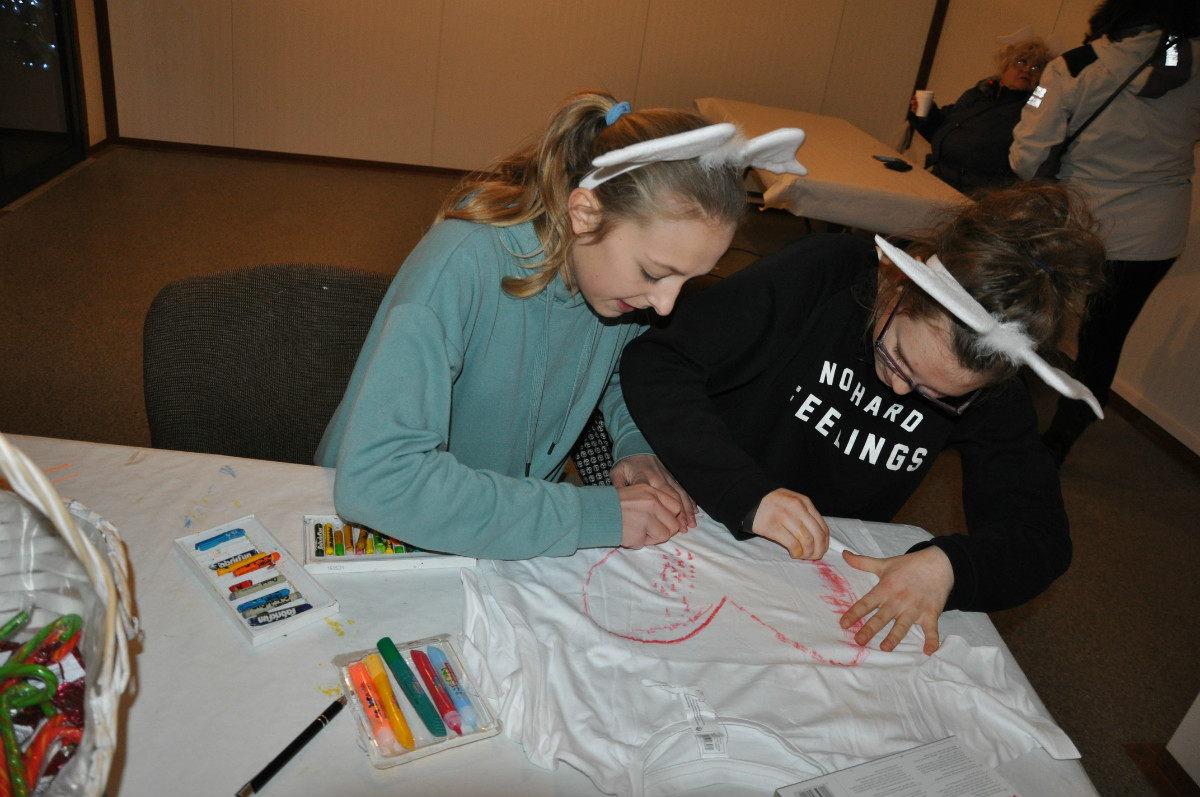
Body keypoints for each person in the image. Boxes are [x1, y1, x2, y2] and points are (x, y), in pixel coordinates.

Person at [315, 90, 805, 560]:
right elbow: (381, 481)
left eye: (687, 280)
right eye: (655, 273)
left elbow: (621, 369)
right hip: (370, 530)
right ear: (585, 214)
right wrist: (591, 515)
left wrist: (634, 444)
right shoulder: (461, 264)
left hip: (507, 524)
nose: (665, 305)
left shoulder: (615, 286)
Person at [620, 184, 1106, 655]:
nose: (900, 390)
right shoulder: (825, 274)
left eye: (938, 395)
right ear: (898, 286)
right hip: (694, 512)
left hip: (808, 575)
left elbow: (1040, 537)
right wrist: (746, 492)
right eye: (897, 357)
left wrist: (950, 567)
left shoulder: (990, 383)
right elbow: (658, 363)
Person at [1009, 0, 1200, 465]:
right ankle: (1059, 441)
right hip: (1155, 232)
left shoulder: (1074, 66)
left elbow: (1027, 159)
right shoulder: (1194, 60)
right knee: (1105, 338)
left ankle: (995, 412)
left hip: (1079, 222)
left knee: (1023, 312)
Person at [909, 33, 1054, 192]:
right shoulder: (978, 94)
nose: (1027, 70)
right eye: (1021, 62)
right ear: (1004, 68)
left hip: (975, 193)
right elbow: (943, 131)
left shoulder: (1031, 112)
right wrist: (927, 114)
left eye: (1036, 68)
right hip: (938, 178)